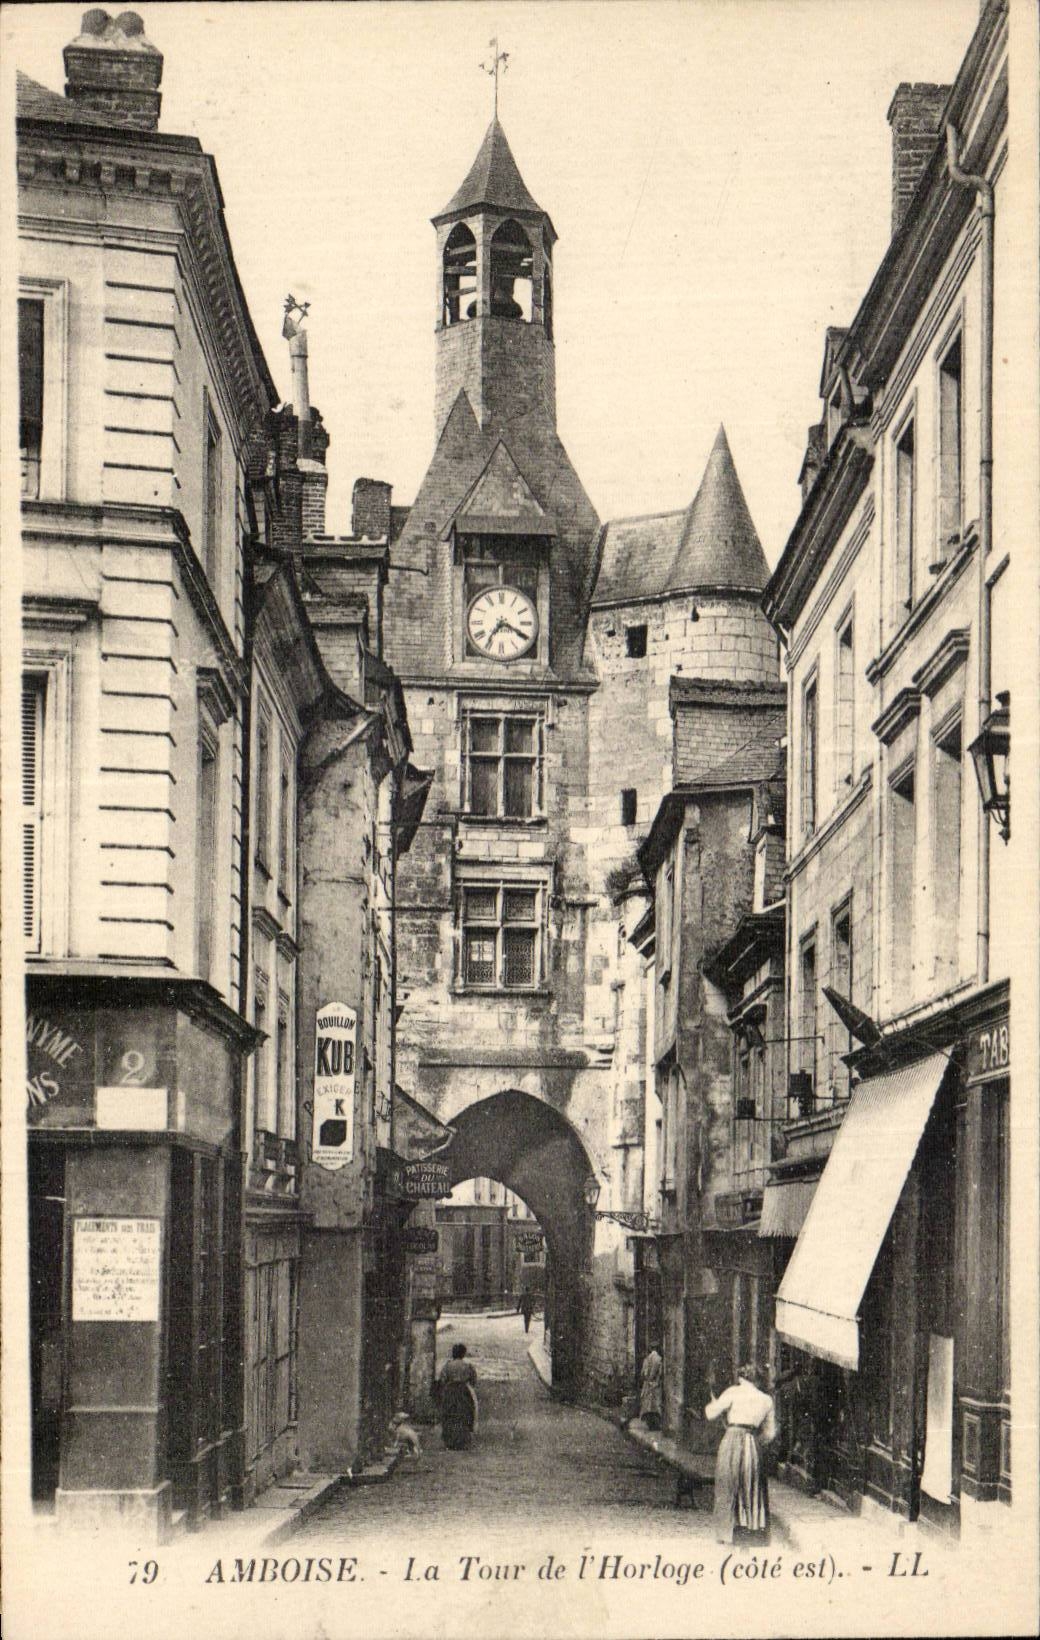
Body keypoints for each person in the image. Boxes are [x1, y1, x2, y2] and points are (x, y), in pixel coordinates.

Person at [704, 1361, 776, 1545]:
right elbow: (769, 1433)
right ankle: (749, 1532)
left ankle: (726, 1533)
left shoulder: (733, 1392)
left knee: (727, 1483)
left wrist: (713, 1403)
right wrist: (754, 1443)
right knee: (750, 1486)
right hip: (752, 1442)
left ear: (741, 1377)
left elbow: (711, 1414)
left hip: (731, 1439)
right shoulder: (766, 1400)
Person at [437, 1342, 479, 1450]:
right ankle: (462, 1441)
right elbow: (473, 1379)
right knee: (464, 1415)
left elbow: (442, 1379)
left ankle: (450, 1441)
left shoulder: (447, 1366)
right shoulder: (468, 1366)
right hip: (463, 1392)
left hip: (450, 1391)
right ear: (463, 1354)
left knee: (449, 1415)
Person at [639, 1342, 663, 1431]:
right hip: (655, 1384)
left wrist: (646, 1379)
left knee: (648, 1405)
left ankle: (649, 1425)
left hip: (647, 1384)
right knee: (656, 1405)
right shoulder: (659, 1359)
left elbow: (643, 1373)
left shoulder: (646, 1359)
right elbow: (660, 1373)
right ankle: (656, 1425)